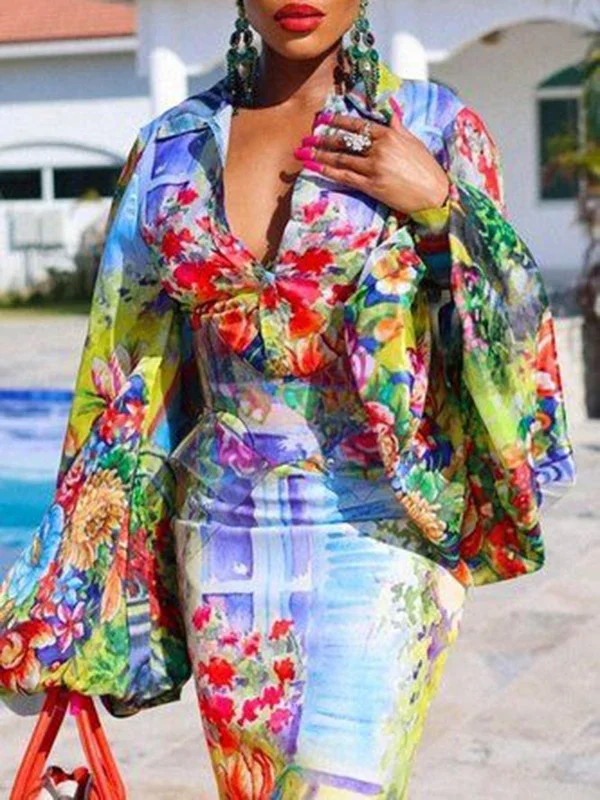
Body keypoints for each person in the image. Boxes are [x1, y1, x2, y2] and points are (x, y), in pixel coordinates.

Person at [0, 1, 576, 797]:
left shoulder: (434, 127)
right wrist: (65, 589)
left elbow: (514, 331)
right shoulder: (170, 150)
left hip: (381, 534)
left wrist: (440, 205)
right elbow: (121, 370)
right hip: (221, 542)